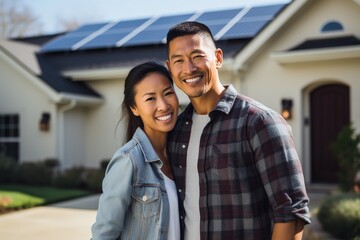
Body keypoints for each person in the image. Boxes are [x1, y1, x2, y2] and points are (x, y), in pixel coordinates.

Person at [166, 21, 311, 240]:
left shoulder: (260, 122)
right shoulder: (175, 131)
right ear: (170, 68)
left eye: (197, 56)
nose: (189, 68)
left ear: (218, 58)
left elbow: (290, 213)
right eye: (178, 60)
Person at [91, 61, 180, 240]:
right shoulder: (128, 161)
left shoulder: (181, 155)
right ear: (134, 108)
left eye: (168, 93)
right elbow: (104, 235)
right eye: (150, 98)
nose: (163, 105)